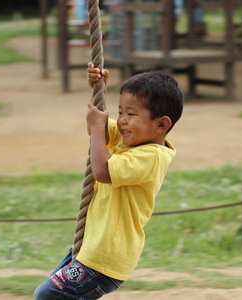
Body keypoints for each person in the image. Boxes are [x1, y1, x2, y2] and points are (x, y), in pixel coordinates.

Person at [34, 62, 184, 299]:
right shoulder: (131, 140)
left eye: (131, 114)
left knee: (49, 295)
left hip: (105, 257)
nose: (122, 120)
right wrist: (99, 92)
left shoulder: (152, 156)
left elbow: (102, 171)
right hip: (91, 248)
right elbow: (101, 130)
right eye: (120, 111)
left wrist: (96, 126)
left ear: (161, 124)